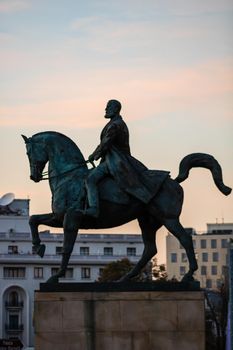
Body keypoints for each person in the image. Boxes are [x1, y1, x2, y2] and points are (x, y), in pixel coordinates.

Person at [82, 99, 168, 218]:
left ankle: (94, 208)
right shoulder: (116, 123)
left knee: (90, 179)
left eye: (108, 107)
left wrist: (94, 155)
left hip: (115, 161)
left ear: (115, 109)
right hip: (114, 159)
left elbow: (105, 143)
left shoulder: (115, 125)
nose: (105, 109)